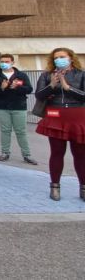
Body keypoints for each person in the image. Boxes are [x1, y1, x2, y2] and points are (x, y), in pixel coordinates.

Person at [34, 48, 85, 201]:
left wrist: (67, 87)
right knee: (56, 152)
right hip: (56, 115)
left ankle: (83, 187)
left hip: (77, 115)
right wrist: (52, 84)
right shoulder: (46, 75)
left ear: (71, 58)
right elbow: (38, 95)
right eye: (56, 58)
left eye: (62, 57)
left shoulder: (81, 74)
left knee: (80, 154)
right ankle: (55, 187)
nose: (59, 60)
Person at [0, 54, 37, 165]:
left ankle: (26, 154)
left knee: (21, 131)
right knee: (5, 130)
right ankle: (5, 152)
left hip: (19, 106)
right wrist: (1, 88)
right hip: (2, 107)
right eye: (2, 61)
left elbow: (29, 89)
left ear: (12, 62)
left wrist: (17, 87)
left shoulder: (21, 75)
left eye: (6, 61)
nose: (3, 63)